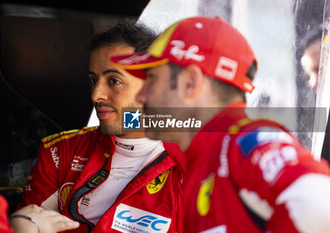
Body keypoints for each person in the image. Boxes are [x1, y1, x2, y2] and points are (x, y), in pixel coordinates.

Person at [111, 16, 330, 233]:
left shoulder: (244, 143)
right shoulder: (205, 158)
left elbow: (319, 198)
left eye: (151, 79)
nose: (141, 95)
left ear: (190, 83)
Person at [17, 21, 183, 233]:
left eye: (114, 81)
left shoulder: (195, 167)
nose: (96, 95)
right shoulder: (62, 153)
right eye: (93, 80)